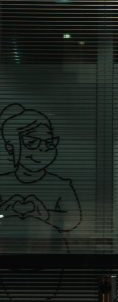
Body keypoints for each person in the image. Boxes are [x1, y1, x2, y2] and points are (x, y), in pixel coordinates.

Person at [0, 103, 80, 247]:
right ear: (10, 148)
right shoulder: (3, 182)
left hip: (49, 251)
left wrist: (45, 214)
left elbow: (74, 220)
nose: (43, 148)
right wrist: (5, 211)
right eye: (32, 142)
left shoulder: (61, 185)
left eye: (49, 142)